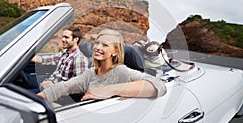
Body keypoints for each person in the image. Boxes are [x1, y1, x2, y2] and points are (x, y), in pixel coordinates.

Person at [37, 29, 166, 102]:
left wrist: (110, 90)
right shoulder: (90, 73)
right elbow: (64, 87)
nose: (97, 48)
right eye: (97, 43)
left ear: (115, 52)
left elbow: (159, 85)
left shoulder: (121, 71)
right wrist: (38, 98)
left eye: (105, 45)